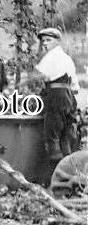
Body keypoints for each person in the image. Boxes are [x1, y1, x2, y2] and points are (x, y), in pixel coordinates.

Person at [29, 28, 79, 168]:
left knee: (52, 136)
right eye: (43, 41)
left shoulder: (51, 56)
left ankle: (56, 176)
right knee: (65, 137)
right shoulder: (67, 58)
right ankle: (70, 174)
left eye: (49, 40)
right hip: (69, 97)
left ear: (57, 42)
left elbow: (36, 75)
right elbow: (75, 87)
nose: (45, 43)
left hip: (57, 97)